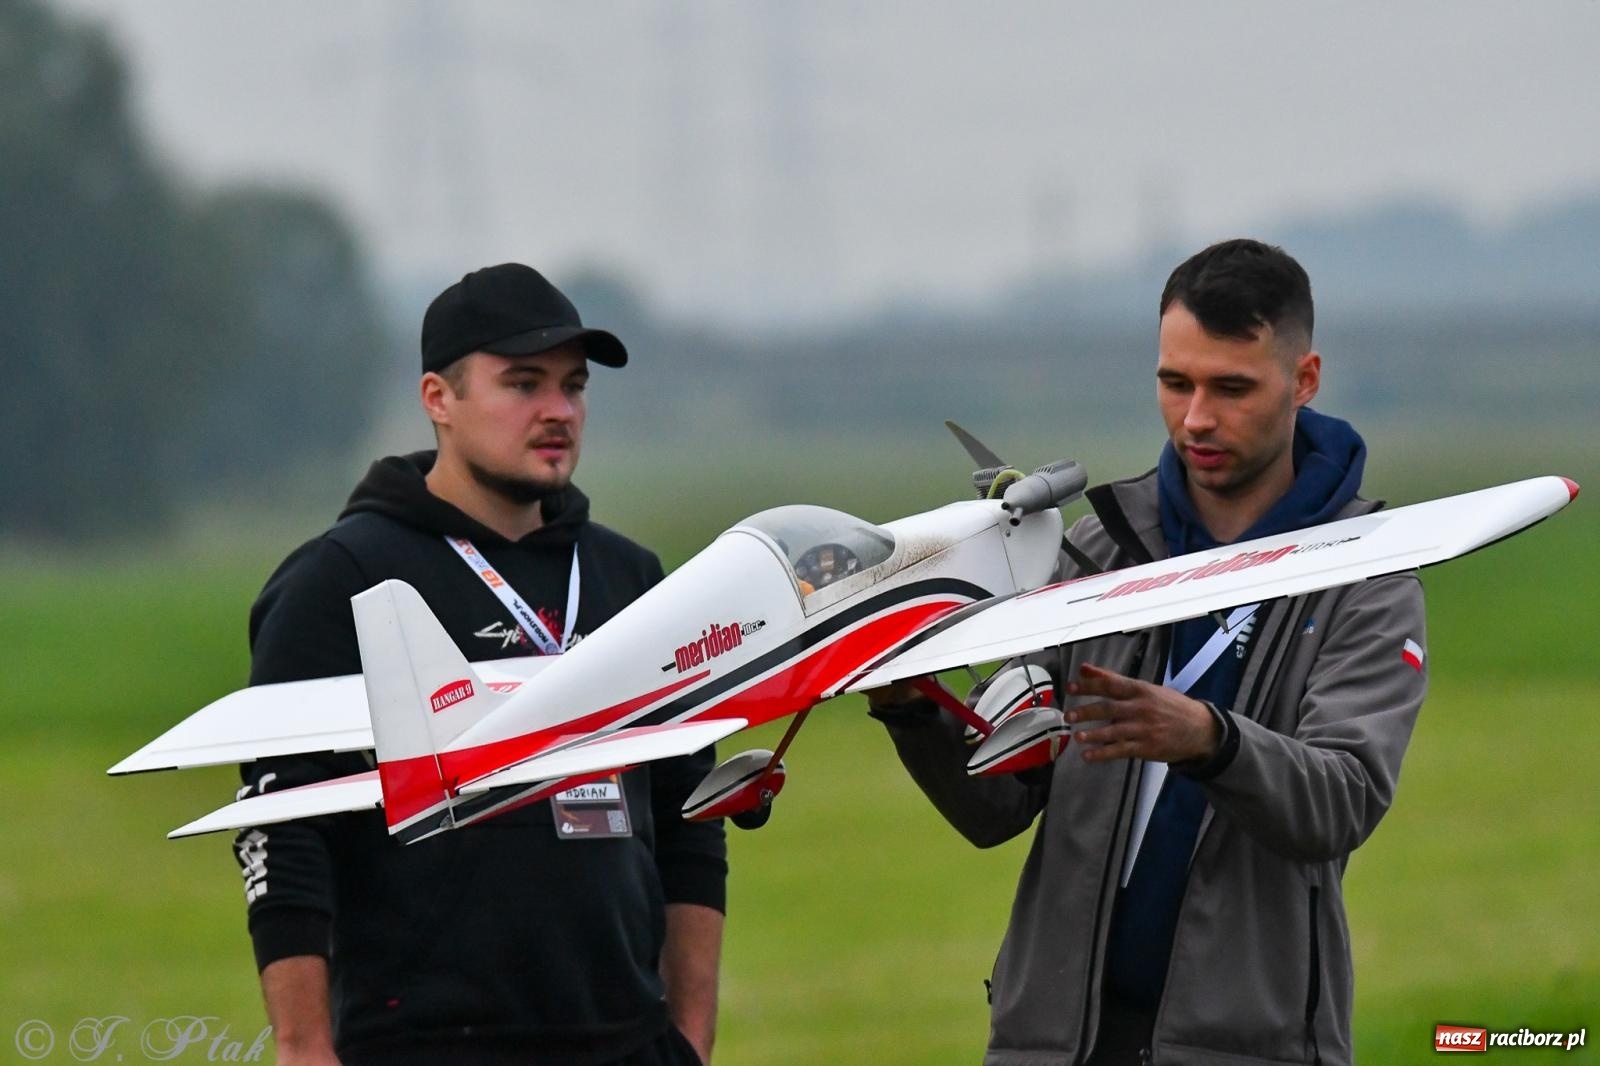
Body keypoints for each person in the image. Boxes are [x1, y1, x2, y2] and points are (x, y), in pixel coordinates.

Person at [870, 239, 1426, 1065]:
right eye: (1176, 383)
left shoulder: (1366, 579)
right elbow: (998, 807)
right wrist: (910, 707)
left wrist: (1211, 740)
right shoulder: (1096, 550)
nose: (1197, 417)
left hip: (1248, 1047)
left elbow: (1341, 805)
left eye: (1232, 388)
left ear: (1304, 381)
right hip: (1055, 1043)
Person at [234, 263, 725, 1066]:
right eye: (523, 384)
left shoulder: (630, 581)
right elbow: (283, 824)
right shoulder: (343, 578)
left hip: (629, 1040)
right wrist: (302, 1044)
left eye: (574, 387)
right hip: (425, 1043)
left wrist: (691, 1034)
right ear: (439, 399)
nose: (557, 411)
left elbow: (688, 816)